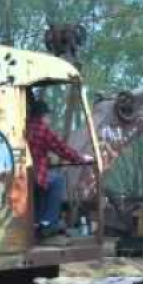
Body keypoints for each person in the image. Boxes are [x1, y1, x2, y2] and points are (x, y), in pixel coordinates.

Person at [27, 100, 92, 239]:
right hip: (36, 174)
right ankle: (49, 222)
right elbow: (62, 149)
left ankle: (37, 223)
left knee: (43, 187)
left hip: (24, 176)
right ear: (43, 116)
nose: (49, 120)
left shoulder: (26, 127)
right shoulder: (42, 129)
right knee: (58, 180)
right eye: (48, 116)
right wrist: (81, 158)